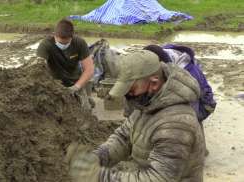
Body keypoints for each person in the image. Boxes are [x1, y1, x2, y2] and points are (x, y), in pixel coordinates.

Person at [67, 50, 205, 182]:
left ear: (154, 83)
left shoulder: (176, 125)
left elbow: (158, 178)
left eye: (131, 90)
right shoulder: (148, 102)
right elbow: (123, 136)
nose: (128, 96)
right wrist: (99, 157)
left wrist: (99, 176)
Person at [37, 18, 94, 110]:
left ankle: (87, 99)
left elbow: (89, 69)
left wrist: (76, 87)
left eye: (66, 43)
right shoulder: (45, 45)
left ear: (72, 37)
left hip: (75, 82)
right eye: (60, 43)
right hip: (54, 85)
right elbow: (38, 68)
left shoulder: (79, 43)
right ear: (55, 35)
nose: (63, 45)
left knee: (85, 111)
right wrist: (49, 86)